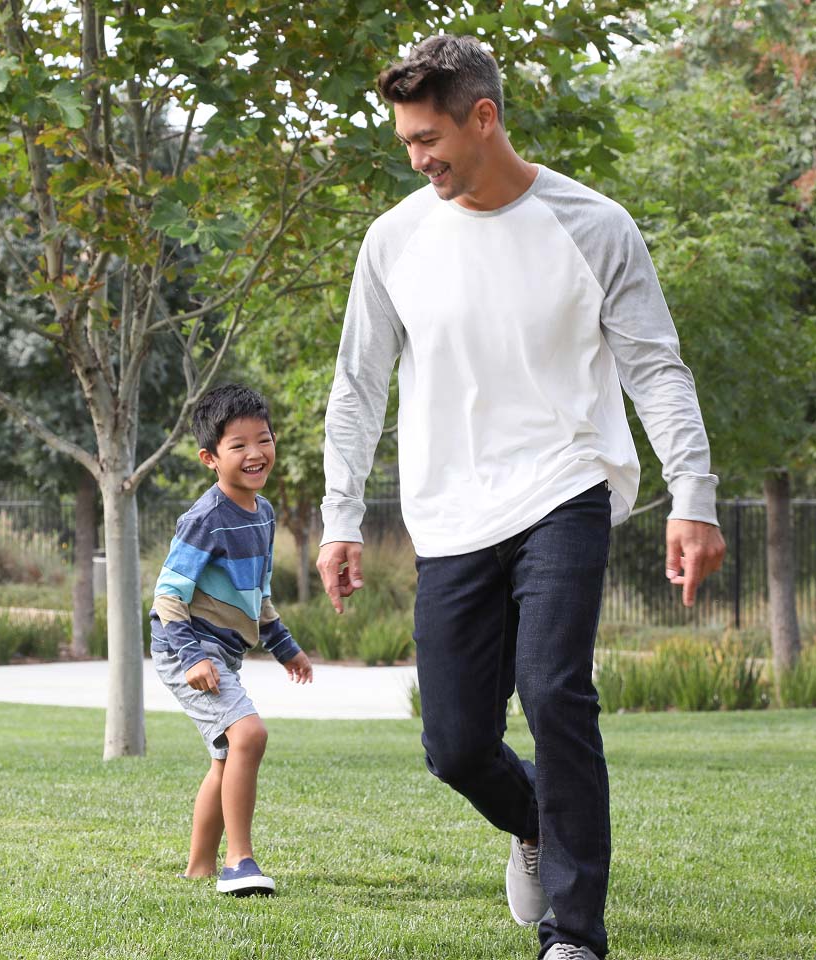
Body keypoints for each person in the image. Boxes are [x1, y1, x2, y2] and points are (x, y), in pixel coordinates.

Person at [317, 35, 725, 960]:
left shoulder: (594, 226)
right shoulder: (395, 240)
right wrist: (341, 515)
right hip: (450, 508)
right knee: (455, 744)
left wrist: (692, 495)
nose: (417, 159)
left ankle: (573, 932)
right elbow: (357, 386)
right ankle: (537, 821)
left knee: (553, 694)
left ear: (484, 117)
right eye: (407, 143)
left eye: (429, 139)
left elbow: (655, 370)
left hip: (564, 484)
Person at [150, 383, 314, 896]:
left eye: (262, 440)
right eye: (237, 445)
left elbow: (256, 594)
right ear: (210, 457)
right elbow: (167, 596)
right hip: (186, 649)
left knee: (226, 755)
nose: (254, 453)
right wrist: (193, 655)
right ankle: (238, 862)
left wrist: (286, 647)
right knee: (249, 735)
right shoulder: (205, 519)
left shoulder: (263, 514)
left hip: (221, 652)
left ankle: (199, 865)